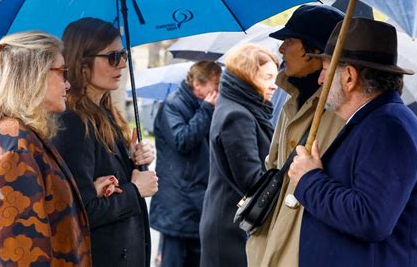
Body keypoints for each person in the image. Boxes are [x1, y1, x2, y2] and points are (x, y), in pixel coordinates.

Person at [289, 18, 417, 266]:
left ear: (349, 77)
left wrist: (309, 179)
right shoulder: (373, 122)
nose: (320, 79)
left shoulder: (388, 129)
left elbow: (370, 218)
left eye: (325, 69)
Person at [0, 31, 93, 265]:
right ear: (34, 75)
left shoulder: (15, 135)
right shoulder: (15, 143)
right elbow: (20, 252)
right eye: (62, 72)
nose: (68, 84)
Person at [53, 17, 158, 267]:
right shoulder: (74, 123)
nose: (122, 63)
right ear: (83, 62)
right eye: (112, 57)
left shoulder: (104, 113)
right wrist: (135, 190)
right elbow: (82, 211)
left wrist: (132, 161)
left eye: (123, 54)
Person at [246, 5, 346, 266]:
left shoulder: (340, 112)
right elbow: (272, 166)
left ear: (314, 50)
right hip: (270, 244)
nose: (281, 49)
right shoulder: (290, 103)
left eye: (289, 41)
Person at [199, 43, 279, 267]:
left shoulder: (238, 106)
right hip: (230, 228)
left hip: (230, 221)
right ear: (247, 76)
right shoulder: (237, 115)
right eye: (267, 77)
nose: (273, 85)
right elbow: (252, 180)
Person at [150, 60, 221, 267]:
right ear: (197, 85)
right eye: (215, 84)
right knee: (175, 260)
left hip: (196, 196)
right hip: (177, 201)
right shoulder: (173, 104)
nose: (218, 89)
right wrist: (207, 109)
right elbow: (182, 140)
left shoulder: (202, 105)